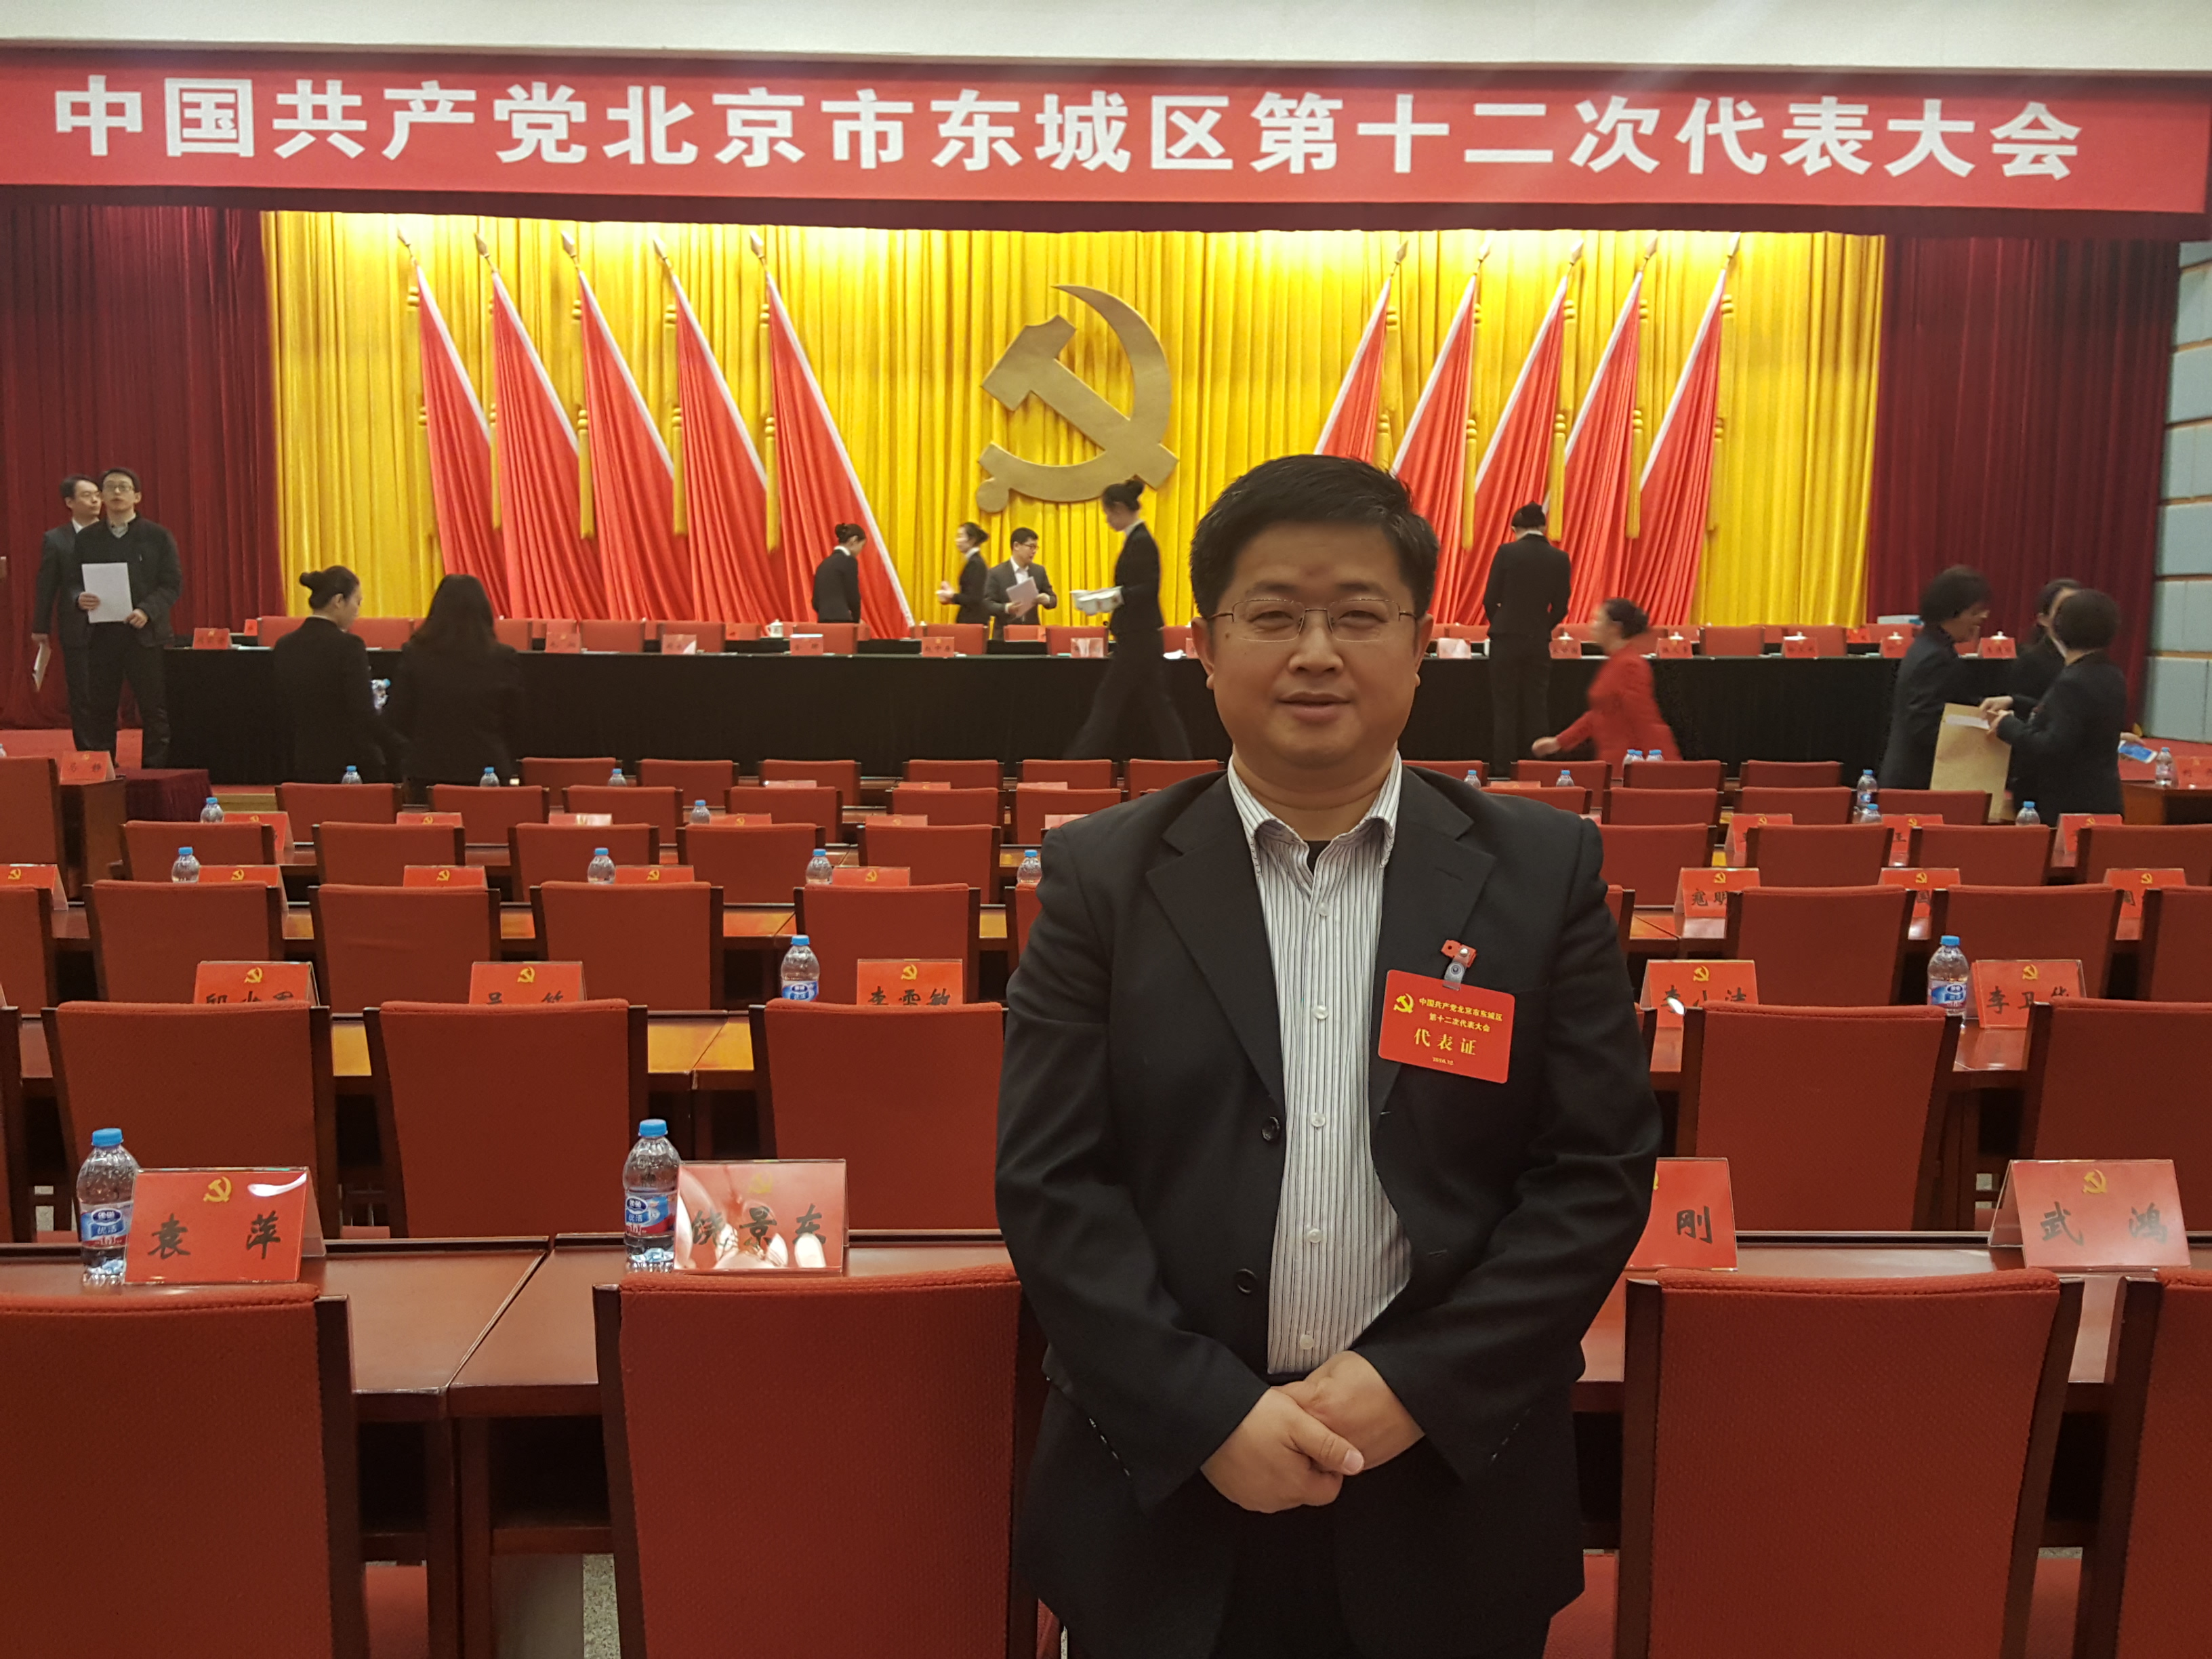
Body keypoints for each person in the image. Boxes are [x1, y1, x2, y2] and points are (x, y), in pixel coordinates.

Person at [1000, 454, 1658, 1659]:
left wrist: (1417, 1385)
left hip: (1445, 1490)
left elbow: (1593, 1173)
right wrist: (1207, 1413)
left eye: (1357, 615)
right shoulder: (1101, 878)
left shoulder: (1538, 872)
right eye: (1273, 616)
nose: (1315, 653)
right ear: (1205, 646)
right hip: (1164, 1491)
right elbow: (1053, 1184)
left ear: (1419, 645)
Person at [1066, 477, 1191, 760]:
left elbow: (1148, 588)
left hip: (1138, 636)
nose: (1107, 519)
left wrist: (1114, 597)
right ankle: (1183, 760)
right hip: (1142, 635)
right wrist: (1108, 595)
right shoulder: (1137, 540)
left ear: (1120, 508)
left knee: (1107, 702)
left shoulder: (1141, 542)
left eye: (1108, 513)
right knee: (1158, 706)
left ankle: (1076, 762)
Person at [1981, 588, 2126, 818]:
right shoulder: (2111, 673)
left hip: (2069, 803)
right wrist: (2015, 702)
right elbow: (2071, 718)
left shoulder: (2073, 681)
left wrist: (2007, 725)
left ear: (2060, 627)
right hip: (2102, 796)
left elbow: (2051, 746)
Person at [79, 467, 182, 769]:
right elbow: (73, 579)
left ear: (137, 496)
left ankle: (154, 771)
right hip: (101, 635)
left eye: (123, 487)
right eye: (110, 487)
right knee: (101, 708)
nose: (116, 492)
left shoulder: (157, 536)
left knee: (153, 708)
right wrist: (78, 597)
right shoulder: (88, 538)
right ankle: (101, 770)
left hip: (146, 635)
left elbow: (172, 584)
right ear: (102, 496)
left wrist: (146, 610)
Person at [384, 574, 523, 789]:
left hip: (427, 771)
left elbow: (397, 717)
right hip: (488, 772)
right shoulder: (503, 658)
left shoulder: (414, 654)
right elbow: (515, 721)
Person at [271, 567, 398, 783]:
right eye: (357, 602)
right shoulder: (349, 646)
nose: (358, 611)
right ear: (339, 601)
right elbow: (363, 712)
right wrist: (397, 744)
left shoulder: (284, 645)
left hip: (303, 761)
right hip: (350, 765)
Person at [1877, 565, 1992, 790]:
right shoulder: (1934, 656)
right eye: (1975, 612)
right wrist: (1979, 732)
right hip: (1918, 781)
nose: (1983, 617)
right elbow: (1924, 725)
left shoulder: (1930, 646)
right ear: (1952, 612)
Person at [1531, 597, 1676, 771]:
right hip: (1614, 760)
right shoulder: (1616, 662)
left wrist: (1661, 766)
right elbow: (1600, 712)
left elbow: (1643, 719)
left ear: (1615, 628)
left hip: (1628, 763)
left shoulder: (1629, 665)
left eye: (1597, 620)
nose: (1592, 625)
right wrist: (1559, 741)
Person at [1481, 503, 1572, 773]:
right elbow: (1561, 607)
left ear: (1514, 529)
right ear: (1544, 527)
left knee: (1504, 708)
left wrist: (1502, 624)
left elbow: (1490, 599)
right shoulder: (1560, 558)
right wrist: (1542, 627)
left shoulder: (1506, 552)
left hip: (1505, 639)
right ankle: (1537, 769)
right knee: (1537, 706)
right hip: (1537, 640)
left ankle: (1502, 770)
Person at [31, 474, 105, 749]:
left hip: (114, 624)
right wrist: (40, 627)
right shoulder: (56, 539)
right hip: (76, 625)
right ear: (69, 502)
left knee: (107, 692)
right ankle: (88, 752)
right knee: (82, 692)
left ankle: (108, 748)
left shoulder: (115, 534)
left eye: (97, 494)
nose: (95, 500)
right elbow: (47, 585)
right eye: (87, 495)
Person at [2012, 577, 2083, 708]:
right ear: (2044, 619)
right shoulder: (2031, 660)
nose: (2074, 616)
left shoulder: (2091, 656)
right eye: (2065, 609)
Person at [984, 526, 1058, 638]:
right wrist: (1007, 608)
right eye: (1031, 547)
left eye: (1036, 547)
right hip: (1005, 636)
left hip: (1032, 634)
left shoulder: (1039, 571)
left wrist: (1047, 600)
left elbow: (1053, 599)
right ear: (1016, 546)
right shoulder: (996, 573)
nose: (1034, 551)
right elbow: (987, 604)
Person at [938, 521, 993, 627]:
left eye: (960, 536)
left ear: (972, 540)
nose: (957, 540)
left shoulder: (976, 563)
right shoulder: (974, 561)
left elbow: (974, 598)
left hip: (973, 622)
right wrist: (951, 597)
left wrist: (952, 596)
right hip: (970, 620)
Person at [812, 523, 864, 624]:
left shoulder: (824, 564)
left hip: (823, 621)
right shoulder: (849, 561)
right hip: (843, 621)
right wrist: (856, 619)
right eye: (862, 546)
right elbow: (853, 595)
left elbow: (815, 602)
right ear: (854, 541)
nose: (860, 550)